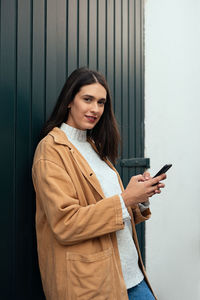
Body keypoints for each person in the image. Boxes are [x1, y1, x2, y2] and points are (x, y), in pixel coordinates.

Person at [32, 67, 166, 300]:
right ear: (69, 101)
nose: (95, 109)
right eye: (87, 99)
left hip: (132, 276)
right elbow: (66, 223)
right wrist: (126, 199)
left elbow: (112, 215)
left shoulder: (94, 147)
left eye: (101, 102)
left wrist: (139, 198)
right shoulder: (50, 151)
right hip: (95, 286)